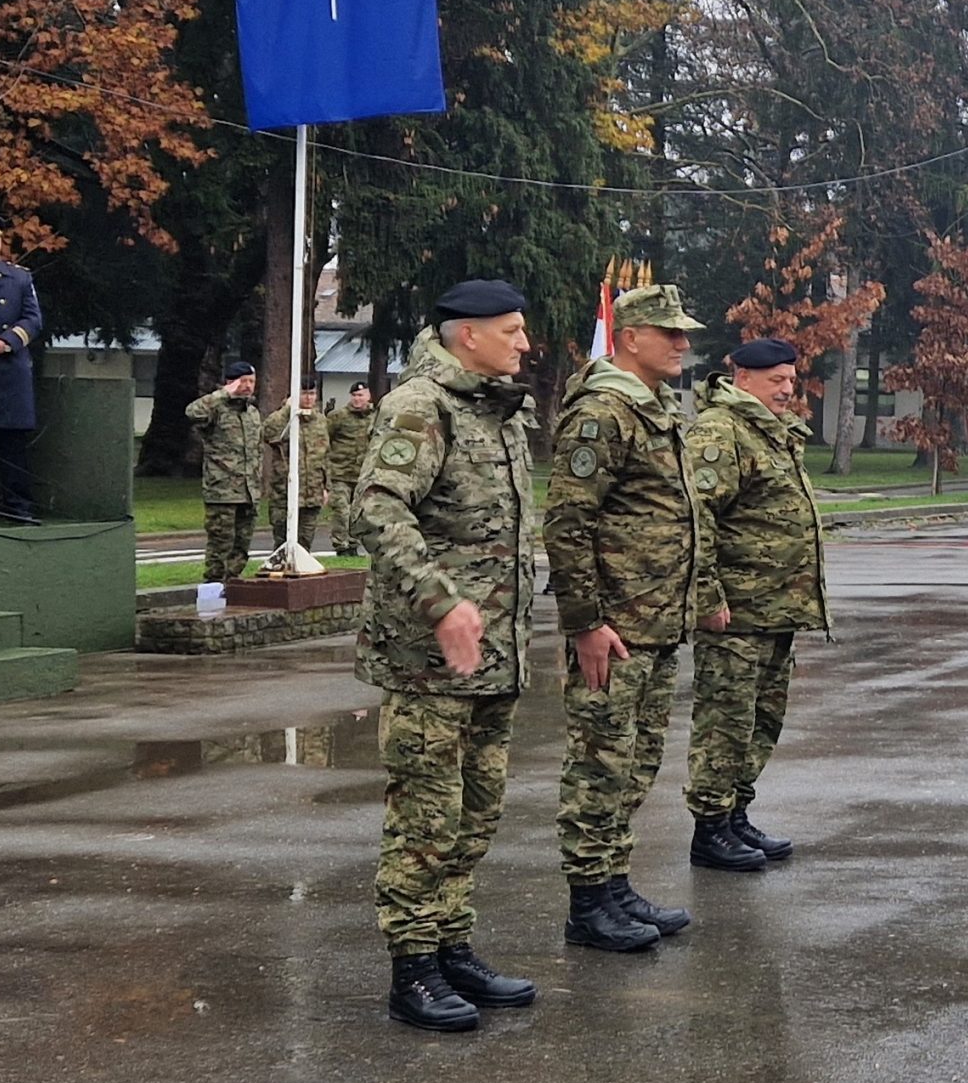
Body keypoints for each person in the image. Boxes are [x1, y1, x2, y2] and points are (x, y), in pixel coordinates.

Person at [349, 280, 541, 1032]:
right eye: (513, 330)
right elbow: (375, 505)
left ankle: (453, 943)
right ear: (470, 335)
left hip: (494, 657)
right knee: (426, 819)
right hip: (430, 661)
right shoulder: (419, 406)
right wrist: (441, 599)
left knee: (475, 812)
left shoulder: (496, 411)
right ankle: (413, 968)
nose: (524, 343)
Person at [546, 284, 725, 952]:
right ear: (630, 337)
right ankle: (588, 902)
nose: (683, 343)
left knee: (636, 760)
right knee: (600, 763)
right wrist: (586, 620)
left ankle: (614, 882)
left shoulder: (649, 407)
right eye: (669, 332)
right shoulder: (603, 411)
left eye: (684, 332)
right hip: (615, 626)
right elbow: (568, 522)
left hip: (652, 622)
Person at [684, 337, 830, 870]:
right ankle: (709, 827)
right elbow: (696, 519)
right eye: (777, 382)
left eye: (792, 380)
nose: (788, 390)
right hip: (737, 613)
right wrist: (707, 595)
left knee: (761, 721)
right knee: (725, 721)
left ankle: (736, 814)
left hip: (775, 609)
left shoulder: (772, 431)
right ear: (743, 378)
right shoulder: (720, 433)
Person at [0, 212, 44, 520]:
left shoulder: (20, 278)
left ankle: (18, 507)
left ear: (1, 243)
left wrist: (3, 343)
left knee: (11, 447)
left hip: (7, 372)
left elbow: (32, 320)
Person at [183, 361, 267, 582]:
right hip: (223, 491)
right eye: (243, 381)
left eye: (252, 381)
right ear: (231, 382)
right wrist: (222, 394)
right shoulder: (216, 408)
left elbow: (257, 450)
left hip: (248, 491)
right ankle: (214, 585)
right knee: (221, 542)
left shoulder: (252, 413)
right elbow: (192, 412)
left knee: (242, 543)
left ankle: (233, 581)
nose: (248, 386)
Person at [263, 379, 330, 551]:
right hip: (285, 492)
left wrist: (326, 487)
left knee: (305, 541)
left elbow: (326, 456)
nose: (308, 398)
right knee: (282, 541)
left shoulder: (320, 421)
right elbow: (267, 433)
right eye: (303, 393)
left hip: (312, 492)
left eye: (312, 393)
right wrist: (288, 410)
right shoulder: (284, 419)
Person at [324, 382, 378, 555]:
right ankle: (341, 545)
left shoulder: (375, 417)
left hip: (362, 475)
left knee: (357, 513)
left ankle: (353, 544)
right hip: (340, 473)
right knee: (342, 511)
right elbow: (324, 440)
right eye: (354, 395)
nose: (357, 399)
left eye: (360, 395)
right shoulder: (338, 417)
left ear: (368, 397)